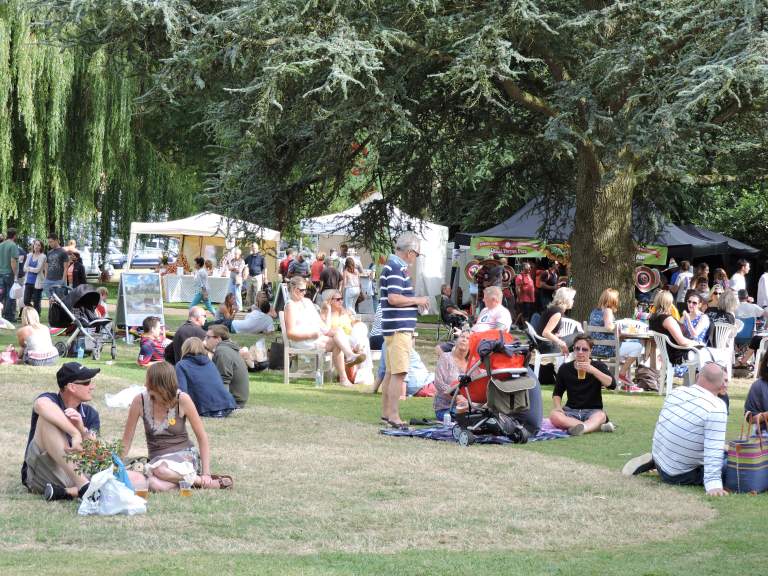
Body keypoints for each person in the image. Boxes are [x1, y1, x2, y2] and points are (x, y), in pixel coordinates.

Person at [121, 362, 233, 492]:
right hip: (157, 461)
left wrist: (206, 473)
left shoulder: (182, 399)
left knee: (159, 470)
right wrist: (115, 464)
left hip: (184, 457)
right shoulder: (139, 401)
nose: (145, 385)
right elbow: (126, 441)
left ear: (161, 386)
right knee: (153, 483)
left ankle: (202, 481)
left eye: (149, 382)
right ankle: (195, 483)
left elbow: (202, 437)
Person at [622, 362, 728, 496]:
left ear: (697, 377)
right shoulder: (717, 407)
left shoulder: (677, 392)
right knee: (735, 463)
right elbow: (713, 449)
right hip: (679, 474)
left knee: (725, 451)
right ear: (721, 385)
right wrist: (713, 485)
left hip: (662, 459)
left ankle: (655, 461)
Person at [22, 362, 101, 500]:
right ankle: (84, 488)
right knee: (46, 419)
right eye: (87, 382)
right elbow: (40, 405)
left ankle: (67, 492)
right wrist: (74, 432)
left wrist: (82, 429)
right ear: (71, 387)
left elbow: (94, 453)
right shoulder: (50, 400)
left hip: (76, 473)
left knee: (117, 468)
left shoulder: (90, 414)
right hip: (44, 472)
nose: (92, 386)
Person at [379, 232, 430, 428]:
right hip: (399, 329)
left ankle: (386, 413)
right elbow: (394, 298)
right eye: (416, 254)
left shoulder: (392, 266)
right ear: (410, 252)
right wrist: (418, 300)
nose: (416, 258)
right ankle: (393, 416)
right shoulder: (395, 268)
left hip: (394, 328)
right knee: (399, 373)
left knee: (391, 373)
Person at [283, 276, 365, 387]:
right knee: (337, 343)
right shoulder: (290, 306)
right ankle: (345, 371)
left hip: (316, 336)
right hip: (303, 340)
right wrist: (311, 334)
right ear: (294, 289)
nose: (304, 292)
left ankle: (349, 359)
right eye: (302, 290)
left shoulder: (307, 302)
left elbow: (319, 323)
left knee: (338, 331)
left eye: (305, 290)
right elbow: (290, 333)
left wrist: (328, 331)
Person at [549, 335, 616, 436]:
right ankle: (595, 427)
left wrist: (592, 370)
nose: (580, 352)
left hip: (593, 411)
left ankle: (581, 428)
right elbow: (557, 392)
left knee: (601, 416)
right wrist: (558, 407)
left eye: (584, 349)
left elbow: (612, 385)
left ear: (590, 351)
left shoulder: (598, 366)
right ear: (574, 350)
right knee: (554, 415)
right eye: (577, 348)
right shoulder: (565, 368)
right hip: (571, 411)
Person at [588, 288, 644, 388]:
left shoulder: (594, 311)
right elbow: (608, 326)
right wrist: (618, 326)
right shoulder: (608, 311)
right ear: (612, 300)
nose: (618, 301)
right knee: (638, 346)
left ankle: (613, 378)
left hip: (594, 348)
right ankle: (621, 374)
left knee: (629, 346)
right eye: (617, 298)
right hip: (608, 349)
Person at [320, 290, 374, 385]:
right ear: (330, 301)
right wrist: (328, 311)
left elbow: (353, 323)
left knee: (362, 332)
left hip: (352, 338)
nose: (341, 301)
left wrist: (357, 322)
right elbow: (327, 330)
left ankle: (358, 349)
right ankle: (363, 376)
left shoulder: (344, 312)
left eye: (342, 299)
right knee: (364, 341)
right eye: (338, 299)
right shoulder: (325, 314)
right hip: (340, 340)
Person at [175, 337, 237, 418]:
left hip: (205, 408)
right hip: (226, 405)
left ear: (184, 349)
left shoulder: (181, 365)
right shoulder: (210, 363)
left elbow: (182, 391)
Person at [648, 289, 701, 371]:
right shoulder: (667, 319)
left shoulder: (653, 318)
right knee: (707, 354)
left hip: (667, 352)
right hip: (678, 353)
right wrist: (697, 343)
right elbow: (682, 342)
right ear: (669, 303)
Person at [205, 325, 250, 408]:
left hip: (234, 401)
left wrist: (222, 404)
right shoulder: (227, 349)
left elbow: (224, 379)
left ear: (218, 339)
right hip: (236, 398)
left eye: (208, 337)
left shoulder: (222, 352)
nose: (205, 340)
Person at [433, 330, 470, 420]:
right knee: (467, 419)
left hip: (469, 407)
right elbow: (439, 384)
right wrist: (456, 396)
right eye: (462, 337)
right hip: (446, 409)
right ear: (456, 341)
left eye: (468, 338)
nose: (464, 339)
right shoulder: (446, 358)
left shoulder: (472, 363)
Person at [536, 286, 577, 355]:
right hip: (547, 346)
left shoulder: (553, 309)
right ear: (566, 299)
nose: (573, 301)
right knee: (580, 335)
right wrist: (561, 343)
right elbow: (545, 333)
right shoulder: (557, 313)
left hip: (543, 343)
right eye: (572, 299)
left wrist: (555, 336)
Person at [21, 239, 45, 314]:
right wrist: (30, 269)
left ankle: (36, 317)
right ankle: (34, 312)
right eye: (35, 244)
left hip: (37, 282)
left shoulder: (43, 256)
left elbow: (38, 270)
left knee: (36, 302)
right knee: (26, 301)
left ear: (41, 247)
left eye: (39, 245)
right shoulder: (29, 255)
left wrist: (29, 268)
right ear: (33, 246)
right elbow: (24, 268)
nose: (37, 246)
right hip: (28, 281)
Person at [42, 234, 69, 299]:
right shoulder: (49, 252)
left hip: (59, 281)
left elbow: (66, 268)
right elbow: (46, 266)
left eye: (51, 242)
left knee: (59, 302)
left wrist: (63, 281)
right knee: (51, 301)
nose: (49, 244)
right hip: (48, 281)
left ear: (56, 240)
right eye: (48, 242)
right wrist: (45, 279)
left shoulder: (63, 252)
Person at [0, 228, 18, 322]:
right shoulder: (13, 245)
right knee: (10, 295)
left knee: (1, 295)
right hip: (9, 273)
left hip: (1, 273)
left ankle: (1, 315)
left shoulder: (1, 245)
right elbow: (13, 261)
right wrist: (15, 274)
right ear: (14, 235)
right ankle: (8, 316)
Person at [244, 242, 267, 308]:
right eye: (253, 248)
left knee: (257, 293)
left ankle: (257, 308)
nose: (254, 249)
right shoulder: (249, 257)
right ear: (251, 248)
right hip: (250, 276)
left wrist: (265, 277)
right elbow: (243, 264)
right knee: (249, 293)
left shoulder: (262, 257)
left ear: (258, 249)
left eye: (255, 248)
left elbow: (265, 268)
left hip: (258, 277)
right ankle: (249, 308)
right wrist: (244, 273)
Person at [226, 247, 246, 311]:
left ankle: (240, 308)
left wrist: (233, 268)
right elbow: (229, 268)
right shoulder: (232, 260)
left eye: (236, 254)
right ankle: (232, 307)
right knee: (231, 293)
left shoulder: (242, 261)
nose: (235, 255)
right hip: (231, 278)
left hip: (238, 279)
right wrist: (233, 268)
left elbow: (239, 270)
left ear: (239, 254)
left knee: (237, 294)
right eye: (234, 254)